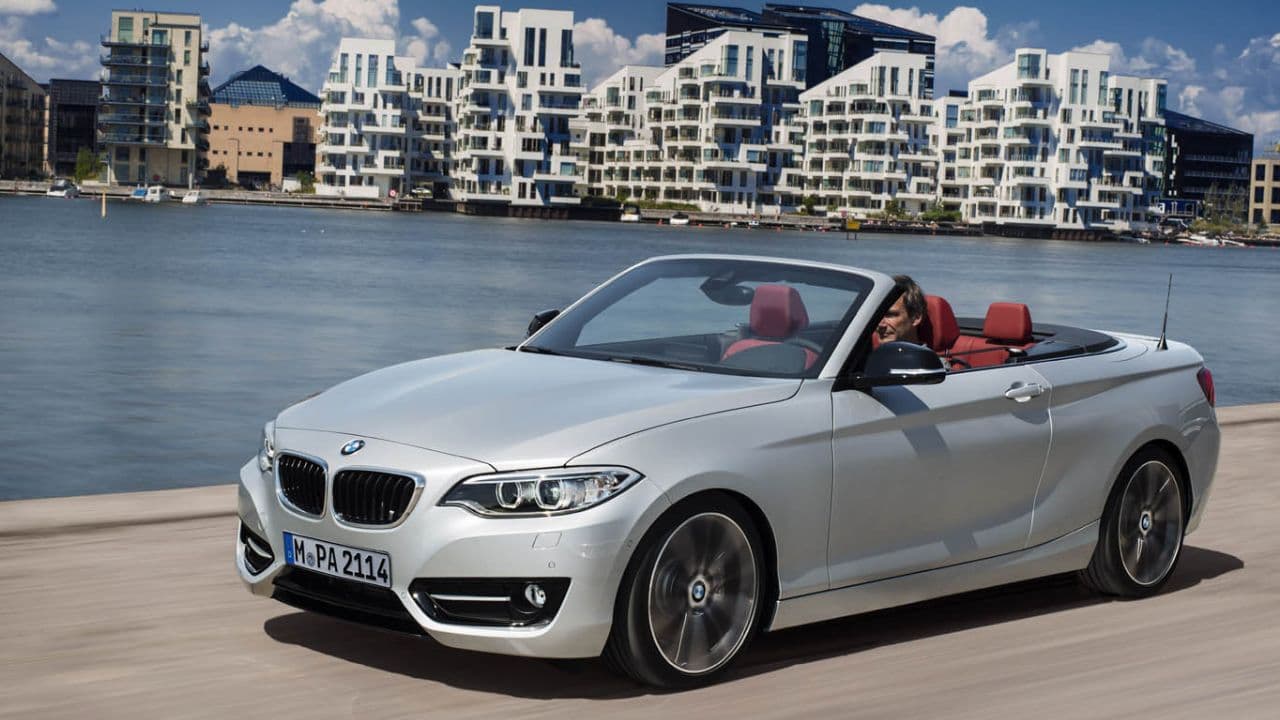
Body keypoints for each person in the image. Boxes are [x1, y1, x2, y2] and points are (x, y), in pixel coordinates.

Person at [876, 274, 926, 345]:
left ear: (915, 317)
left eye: (890, 315)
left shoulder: (927, 356)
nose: (880, 325)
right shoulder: (862, 354)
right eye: (877, 315)